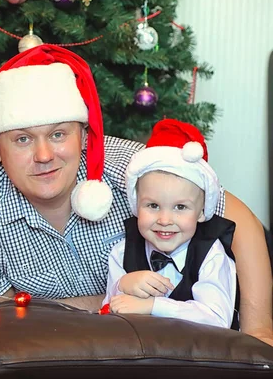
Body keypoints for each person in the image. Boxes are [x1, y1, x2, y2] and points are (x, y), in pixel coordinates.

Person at [0, 44, 273, 345]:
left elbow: (240, 221)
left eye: (58, 135)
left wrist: (258, 329)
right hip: (89, 342)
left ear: (83, 136)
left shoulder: (132, 166)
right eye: (22, 140)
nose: (44, 155)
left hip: (201, 320)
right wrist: (108, 305)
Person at [102, 118, 238, 329]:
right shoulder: (122, 252)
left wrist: (154, 305)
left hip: (202, 356)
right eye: (153, 205)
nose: (164, 220)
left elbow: (217, 318)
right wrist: (122, 285)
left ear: (201, 212)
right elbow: (109, 313)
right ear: (136, 205)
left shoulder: (212, 254)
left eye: (180, 207)